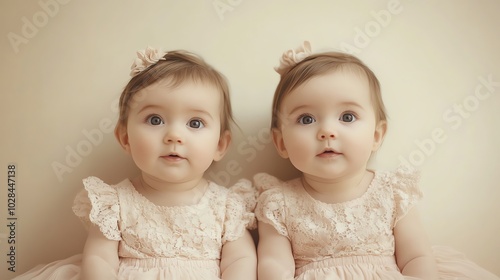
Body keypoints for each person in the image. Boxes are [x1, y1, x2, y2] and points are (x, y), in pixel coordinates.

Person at [255, 41, 500, 280]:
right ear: (281, 143)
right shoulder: (278, 204)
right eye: (306, 119)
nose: (327, 131)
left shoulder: (392, 192)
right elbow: (274, 263)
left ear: (376, 135)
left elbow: (416, 256)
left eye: (347, 117)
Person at [13, 47, 257, 280]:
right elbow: (99, 259)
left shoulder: (227, 207)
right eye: (155, 119)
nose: (174, 135)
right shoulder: (114, 203)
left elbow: (241, 260)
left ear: (220, 145)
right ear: (125, 138)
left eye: (195, 123)